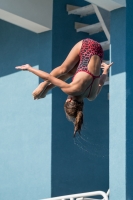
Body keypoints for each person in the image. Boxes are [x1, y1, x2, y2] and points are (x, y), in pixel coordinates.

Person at [16, 38, 113, 136]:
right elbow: (49, 77)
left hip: (99, 51)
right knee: (63, 69)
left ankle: (47, 88)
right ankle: (44, 86)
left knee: (70, 72)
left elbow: (100, 82)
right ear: (69, 100)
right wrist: (29, 68)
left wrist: (105, 70)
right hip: (87, 46)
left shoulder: (92, 96)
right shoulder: (72, 90)